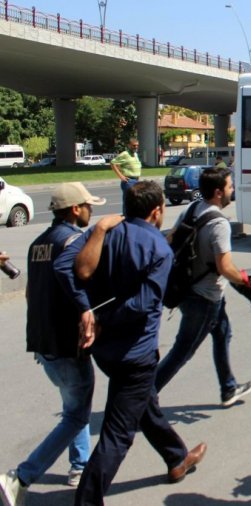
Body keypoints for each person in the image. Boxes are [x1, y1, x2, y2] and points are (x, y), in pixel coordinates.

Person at [54, 181, 206, 506]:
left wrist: (87, 310)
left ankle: (177, 457)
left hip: (104, 351)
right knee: (118, 433)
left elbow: (64, 266)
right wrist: (98, 316)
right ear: (157, 212)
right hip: (135, 354)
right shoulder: (159, 249)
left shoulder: (105, 233)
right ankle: (88, 500)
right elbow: (144, 304)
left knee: (142, 401)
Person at [0, 183, 106, 506]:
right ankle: (22, 476)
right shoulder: (75, 241)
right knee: (76, 415)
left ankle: (79, 466)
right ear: (75, 209)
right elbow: (71, 276)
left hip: (43, 345)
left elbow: (32, 294)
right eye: (88, 205)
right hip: (66, 345)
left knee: (73, 407)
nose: (92, 210)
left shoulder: (37, 245)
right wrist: (86, 308)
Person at [155, 168, 251, 407]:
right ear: (219, 192)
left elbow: (170, 240)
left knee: (222, 334)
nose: (232, 190)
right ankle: (142, 397)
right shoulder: (219, 224)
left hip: (190, 290)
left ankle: (228, 388)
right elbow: (224, 267)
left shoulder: (191, 209)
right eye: (230, 186)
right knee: (182, 351)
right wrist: (248, 281)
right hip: (204, 298)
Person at [110, 138, 142, 213]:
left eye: (137, 145)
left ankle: (132, 218)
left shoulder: (135, 154)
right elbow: (112, 163)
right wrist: (121, 176)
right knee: (129, 202)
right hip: (129, 181)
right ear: (129, 145)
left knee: (135, 201)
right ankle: (126, 218)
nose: (136, 147)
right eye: (134, 145)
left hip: (136, 180)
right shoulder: (125, 154)